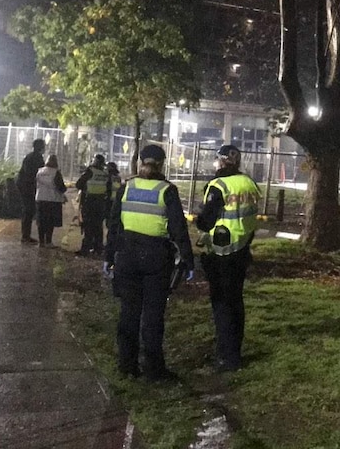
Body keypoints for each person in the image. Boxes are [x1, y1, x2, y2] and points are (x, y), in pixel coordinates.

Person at [104, 144, 194, 381]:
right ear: (162, 164)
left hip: (126, 256)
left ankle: (127, 364)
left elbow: (114, 225)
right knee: (153, 315)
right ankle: (154, 369)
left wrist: (108, 256)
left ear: (139, 162)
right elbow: (178, 229)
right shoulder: (167, 190)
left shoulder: (126, 188)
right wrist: (188, 260)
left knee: (128, 311)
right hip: (156, 258)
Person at [196, 144, 261, 372]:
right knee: (236, 301)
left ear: (222, 161)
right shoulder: (248, 183)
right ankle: (235, 350)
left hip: (221, 253)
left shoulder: (218, 185)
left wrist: (198, 218)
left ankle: (226, 356)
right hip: (242, 249)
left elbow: (206, 221)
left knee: (222, 304)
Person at [75, 153, 110, 256]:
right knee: (98, 226)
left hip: (89, 202)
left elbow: (78, 184)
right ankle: (98, 248)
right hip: (101, 202)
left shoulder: (90, 171)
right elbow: (107, 188)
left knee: (88, 226)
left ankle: (86, 249)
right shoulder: (104, 174)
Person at [16, 138, 46, 244]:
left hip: (25, 186)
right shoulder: (36, 158)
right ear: (41, 147)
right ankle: (25, 236)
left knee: (29, 211)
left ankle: (26, 235)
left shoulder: (30, 157)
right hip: (27, 187)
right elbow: (35, 173)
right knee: (28, 210)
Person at [35, 154, 67, 248]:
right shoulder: (56, 172)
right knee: (50, 222)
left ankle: (41, 242)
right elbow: (60, 186)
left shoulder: (40, 171)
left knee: (41, 221)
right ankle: (48, 241)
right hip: (53, 200)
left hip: (40, 198)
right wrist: (64, 193)